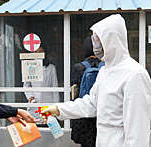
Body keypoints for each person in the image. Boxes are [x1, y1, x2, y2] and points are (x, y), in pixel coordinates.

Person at [42, 14, 151, 147]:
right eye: (94, 39)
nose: (95, 45)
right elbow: (91, 103)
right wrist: (59, 109)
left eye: (99, 39)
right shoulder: (105, 71)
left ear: (112, 40)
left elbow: (137, 132)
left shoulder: (135, 75)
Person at [70, 37, 101, 147]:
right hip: (101, 114)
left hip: (84, 116)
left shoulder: (79, 67)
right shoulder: (105, 67)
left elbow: (74, 93)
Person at [24, 46, 59, 122]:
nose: (38, 54)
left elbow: (55, 87)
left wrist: (56, 106)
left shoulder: (51, 68)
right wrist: (30, 97)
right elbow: (26, 85)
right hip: (34, 102)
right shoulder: (29, 66)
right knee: (35, 126)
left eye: (40, 52)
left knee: (49, 125)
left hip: (48, 102)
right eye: (36, 52)